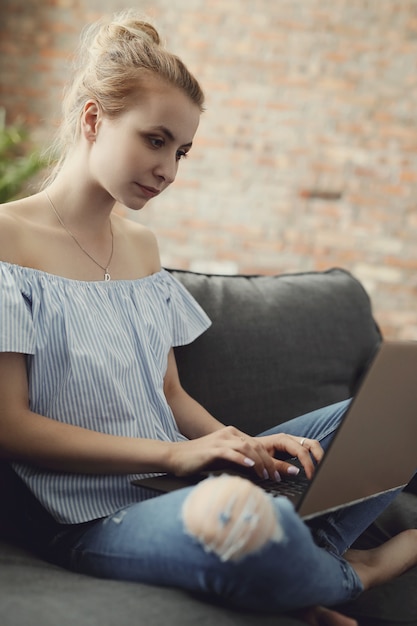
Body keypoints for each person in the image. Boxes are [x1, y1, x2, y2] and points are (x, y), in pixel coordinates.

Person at [0, 10, 416, 626]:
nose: (168, 170)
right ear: (94, 118)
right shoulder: (6, 241)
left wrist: (240, 443)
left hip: (182, 486)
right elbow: (11, 426)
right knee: (246, 516)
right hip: (86, 515)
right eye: (155, 139)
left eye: (182, 151)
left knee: (402, 401)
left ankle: (292, 568)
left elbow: (168, 391)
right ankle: (358, 570)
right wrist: (175, 458)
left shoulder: (142, 248)